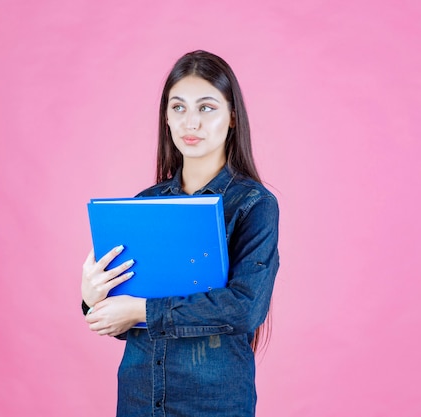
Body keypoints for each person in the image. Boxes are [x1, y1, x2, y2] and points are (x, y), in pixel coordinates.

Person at [81, 50, 280, 416]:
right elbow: (124, 322)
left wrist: (142, 309)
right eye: (178, 108)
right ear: (166, 118)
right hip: (140, 398)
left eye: (206, 107)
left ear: (232, 117)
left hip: (214, 402)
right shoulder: (143, 204)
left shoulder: (253, 204)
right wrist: (93, 298)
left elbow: (244, 309)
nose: (191, 123)